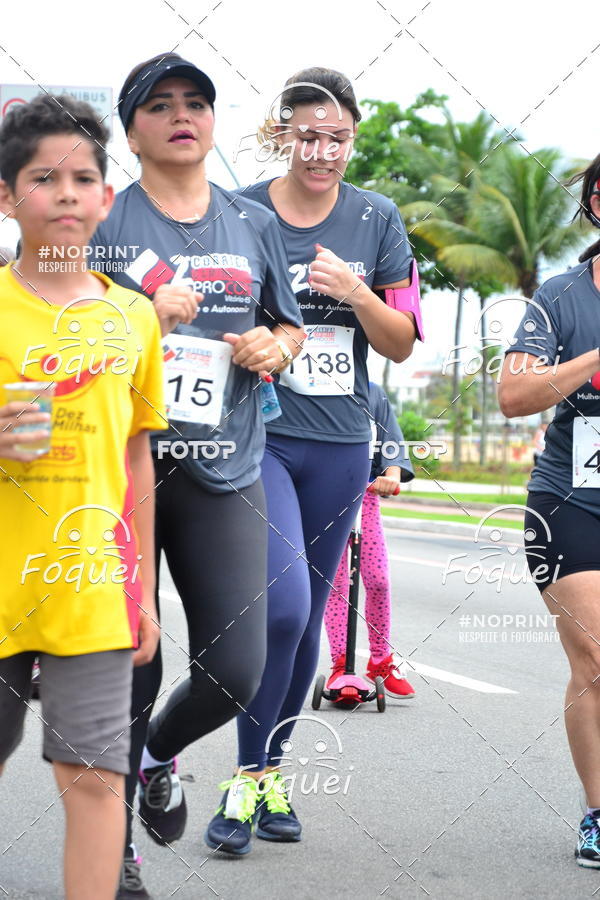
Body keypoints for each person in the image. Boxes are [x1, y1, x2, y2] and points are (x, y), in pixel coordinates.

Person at [90, 53, 303, 897]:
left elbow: (285, 324)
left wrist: (274, 347)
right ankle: (115, 855)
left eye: (197, 103)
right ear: (131, 129)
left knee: (237, 670)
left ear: (214, 122)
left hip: (227, 467)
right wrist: (140, 315)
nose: (183, 115)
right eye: (161, 104)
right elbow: (63, 334)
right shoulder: (102, 222)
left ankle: (155, 760)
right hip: (126, 471)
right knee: (129, 662)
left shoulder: (251, 223)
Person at [204, 66, 423, 856]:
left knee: (301, 635)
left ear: (352, 140)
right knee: (287, 608)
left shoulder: (377, 218)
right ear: (283, 133)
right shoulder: (242, 210)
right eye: (310, 135)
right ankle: (241, 776)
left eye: (339, 138)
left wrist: (356, 294)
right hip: (258, 436)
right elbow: (212, 310)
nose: (324, 151)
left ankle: (262, 775)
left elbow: (399, 339)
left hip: (340, 443)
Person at [0, 95, 165, 899]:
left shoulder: (134, 318)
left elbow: (136, 458)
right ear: (7, 196)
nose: (66, 192)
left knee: (96, 777)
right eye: (43, 177)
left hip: (93, 586)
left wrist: (143, 592)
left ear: (106, 196)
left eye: (84, 177)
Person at [499, 153, 600, 868]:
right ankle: (599, 814)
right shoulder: (561, 299)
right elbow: (514, 396)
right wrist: (591, 361)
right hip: (570, 500)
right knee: (596, 659)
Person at [324, 382, 416, 698]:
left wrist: (391, 476)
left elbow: (391, 443)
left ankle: (380, 661)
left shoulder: (372, 393)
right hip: (323, 496)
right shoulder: (311, 389)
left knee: (378, 580)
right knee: (336, 584)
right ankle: (341, 663)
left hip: (365, 495)